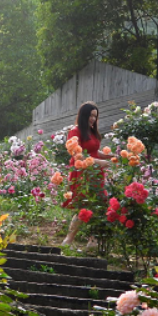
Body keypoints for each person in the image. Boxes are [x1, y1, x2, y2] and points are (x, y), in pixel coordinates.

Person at [61, 101, 115, 246]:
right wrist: (100, 162)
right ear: (83, 115)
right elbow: (77, 155)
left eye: (95, 116)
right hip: (82, 173)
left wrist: (108, 156)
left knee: (97, 205)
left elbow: (93, 151)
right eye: (90, 115)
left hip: (95, 172)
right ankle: (68, 240)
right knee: (83, 206)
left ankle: (93, 241)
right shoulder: (75, 131)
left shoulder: (91, 132)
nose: (93, 119)